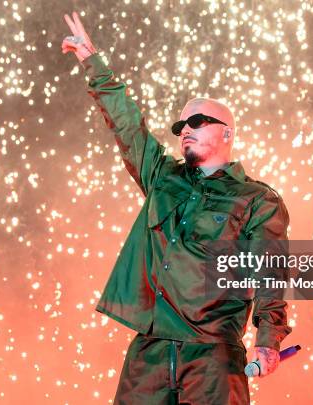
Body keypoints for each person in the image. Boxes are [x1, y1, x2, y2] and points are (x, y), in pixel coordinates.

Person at [62, 11, 292, 405]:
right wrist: (93, 62)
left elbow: (270, 271)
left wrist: (269, 341)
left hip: (212, 355)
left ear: (226, 133)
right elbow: (128, 126)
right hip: (149, 350)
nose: (185, 129)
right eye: (181, 124)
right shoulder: (162, 178)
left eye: (197, 121)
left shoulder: (255, 199)